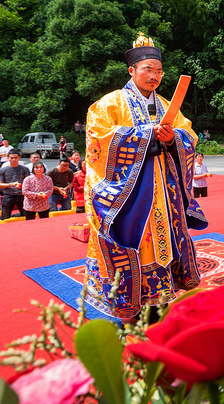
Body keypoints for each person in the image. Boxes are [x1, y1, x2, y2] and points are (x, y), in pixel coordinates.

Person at [84, 33, 208, 320]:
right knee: (134, 242)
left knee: (164, 242)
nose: (154, 76)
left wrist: (172, 138)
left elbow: (188, 135)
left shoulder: (167, 105)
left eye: (159, 71)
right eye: (147, 70)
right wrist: (145, 137)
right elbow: (97, 140)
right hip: (130, 196)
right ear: (132, 70)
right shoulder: (109, 104)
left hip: (164, 194)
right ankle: (129, 302)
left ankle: (161, 295)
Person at [0, 150, 30, 219]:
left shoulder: (25, 169)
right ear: (8, 158)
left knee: (26, 215)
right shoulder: (3, 170)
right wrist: (12, 184)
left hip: (22, 195)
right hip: (8, 195)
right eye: (11, 158)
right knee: (5, 216)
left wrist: (21, 186)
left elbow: (28, 183)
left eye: (15, 157)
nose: (13, 159)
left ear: (19, 158)